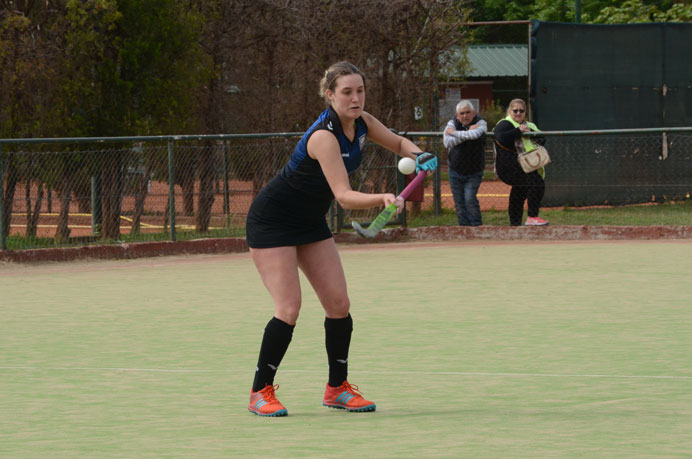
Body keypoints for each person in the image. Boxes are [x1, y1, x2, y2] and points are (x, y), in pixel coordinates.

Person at [245, 61, 438, 417]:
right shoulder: (324, 137)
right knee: (288, 309)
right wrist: (381, 199)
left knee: (339, 305)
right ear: (330, 95)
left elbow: (396, 141)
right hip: (273, 221)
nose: (355, 98)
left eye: (360, 91)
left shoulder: (362, 123)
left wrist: (418, 153)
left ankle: (337, 388)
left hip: (309, 221)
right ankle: (260, 392)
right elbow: (344, 195)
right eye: (347, 92)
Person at [492, 99, 549, 226]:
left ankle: (515, 225)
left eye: (521, 111)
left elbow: (543, 138)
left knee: (519, 192)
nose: (518, 113)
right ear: (509, 111)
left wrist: (530, 134)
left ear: (525, 112)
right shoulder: (505, 123)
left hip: (526, 165)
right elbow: (500, 136)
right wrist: (519, 131)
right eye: (515, 110)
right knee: (537, 183)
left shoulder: (530, 125)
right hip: (508, 167)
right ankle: (532, 217)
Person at [443, 100, 487, 226]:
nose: (465, 116)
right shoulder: (452, 123)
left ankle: (476, 227)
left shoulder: (481, 122)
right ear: (457, 115)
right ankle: (464, 229)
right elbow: (446, 142)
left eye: (468, 112)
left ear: (473, 113)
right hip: (455, 170)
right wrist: (467, 133)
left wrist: (455, 134)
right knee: (459, 203)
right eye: (462, 113)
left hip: (474, 170)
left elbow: (475, 134)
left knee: (470, 199)